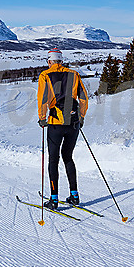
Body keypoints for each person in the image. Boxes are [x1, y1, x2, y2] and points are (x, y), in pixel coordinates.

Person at [37, 49, 89, 209]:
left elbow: (42, 99)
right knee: (68, 157)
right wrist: (81, 116)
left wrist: (42, 118)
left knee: (53, 159)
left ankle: (53, 199)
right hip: (72, 123)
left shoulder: (45, 75)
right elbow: (84, 98)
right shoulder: (74, 74)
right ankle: (74, 195)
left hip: (55, 123)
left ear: (49, 61)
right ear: (61, 60)